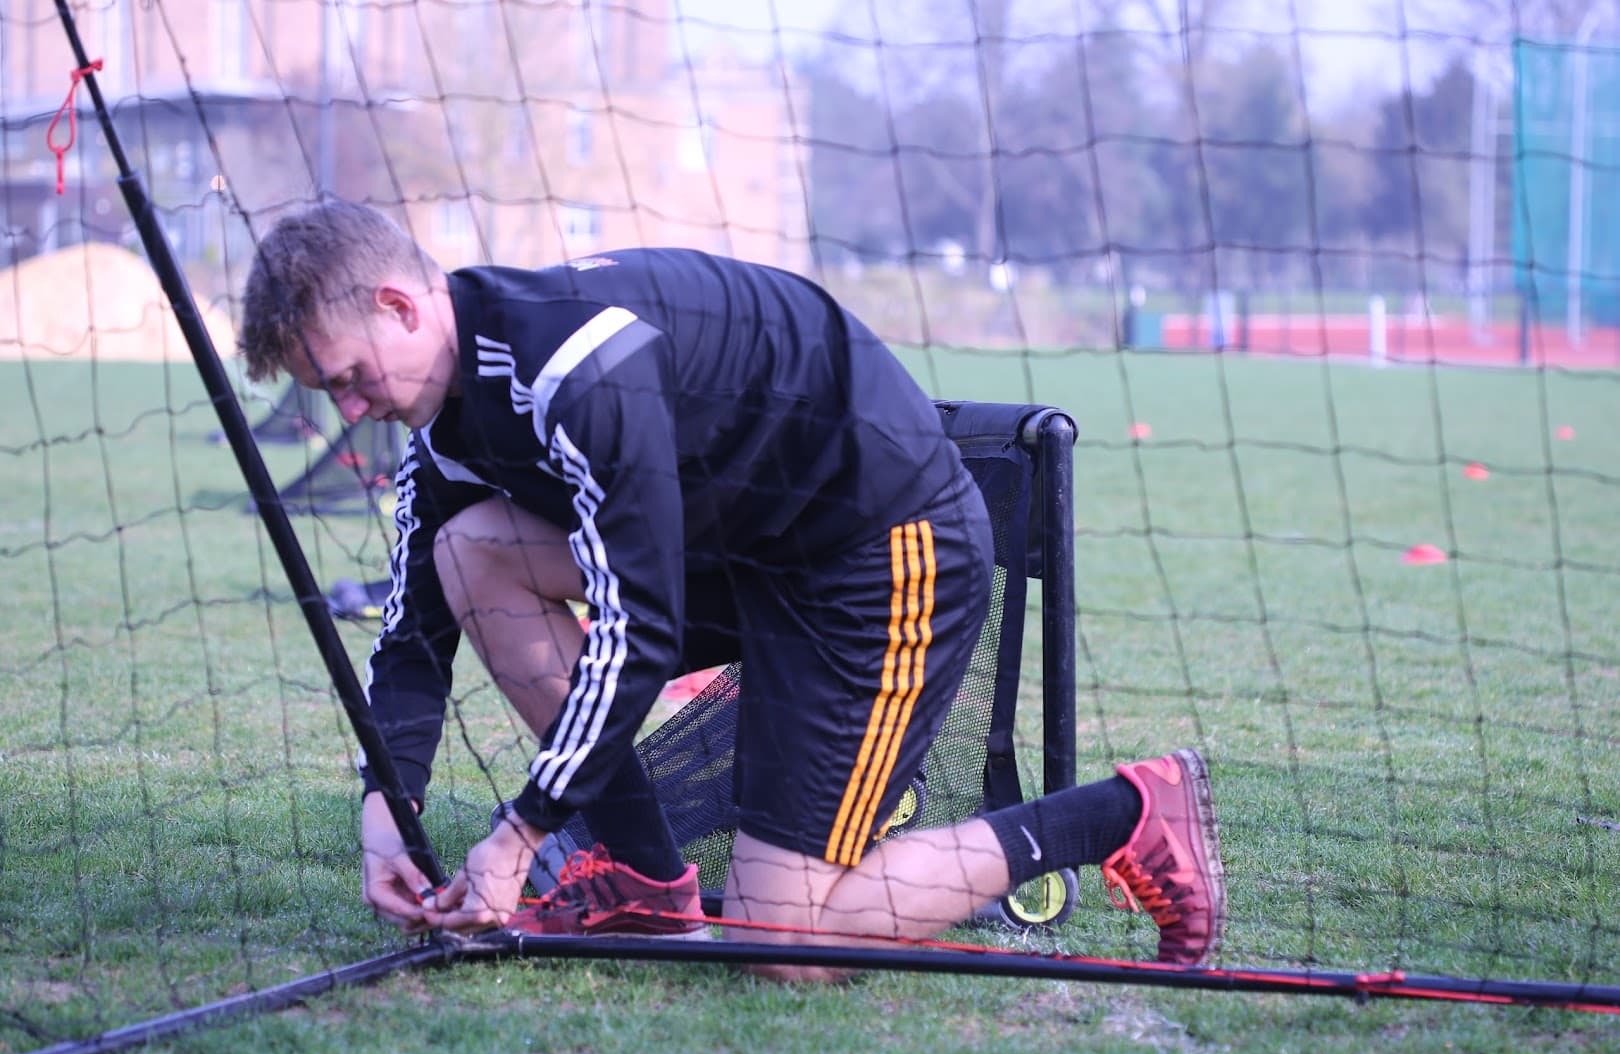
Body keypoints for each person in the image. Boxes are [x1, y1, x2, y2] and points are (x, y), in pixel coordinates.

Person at [236, 199, 1226, 976]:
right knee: (468, 554)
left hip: (876, 554)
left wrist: (516, 833)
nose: (352, 409)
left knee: (786, 943)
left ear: (401, 308)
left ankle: (1127, 811)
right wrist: (385, 823)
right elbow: (412, 635)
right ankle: (643, 877)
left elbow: (640, 628)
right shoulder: (442, 425)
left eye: (351, 379)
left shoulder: (574, 364)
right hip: (744, 551)